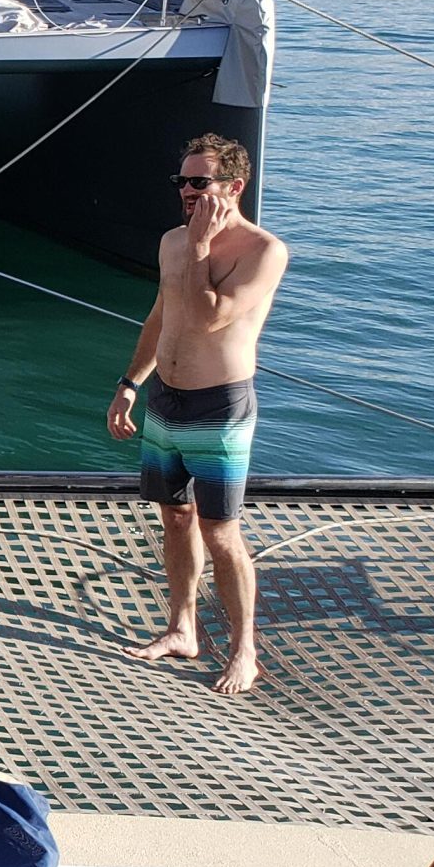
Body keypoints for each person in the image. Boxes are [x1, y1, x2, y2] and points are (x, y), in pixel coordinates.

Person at [106, 134, 289, 695]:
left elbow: (210, 317)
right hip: (166, 398)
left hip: (219, 405)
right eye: (181, 181)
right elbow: (161, 315)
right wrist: (130, 384)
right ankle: (181, 628)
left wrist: (203, 247)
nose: (187, 191)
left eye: (199, 182)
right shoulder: (172, 241)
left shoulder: (262, 251)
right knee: (175, 517)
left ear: (234, 186)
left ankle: (243, 649)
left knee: (221, 531)